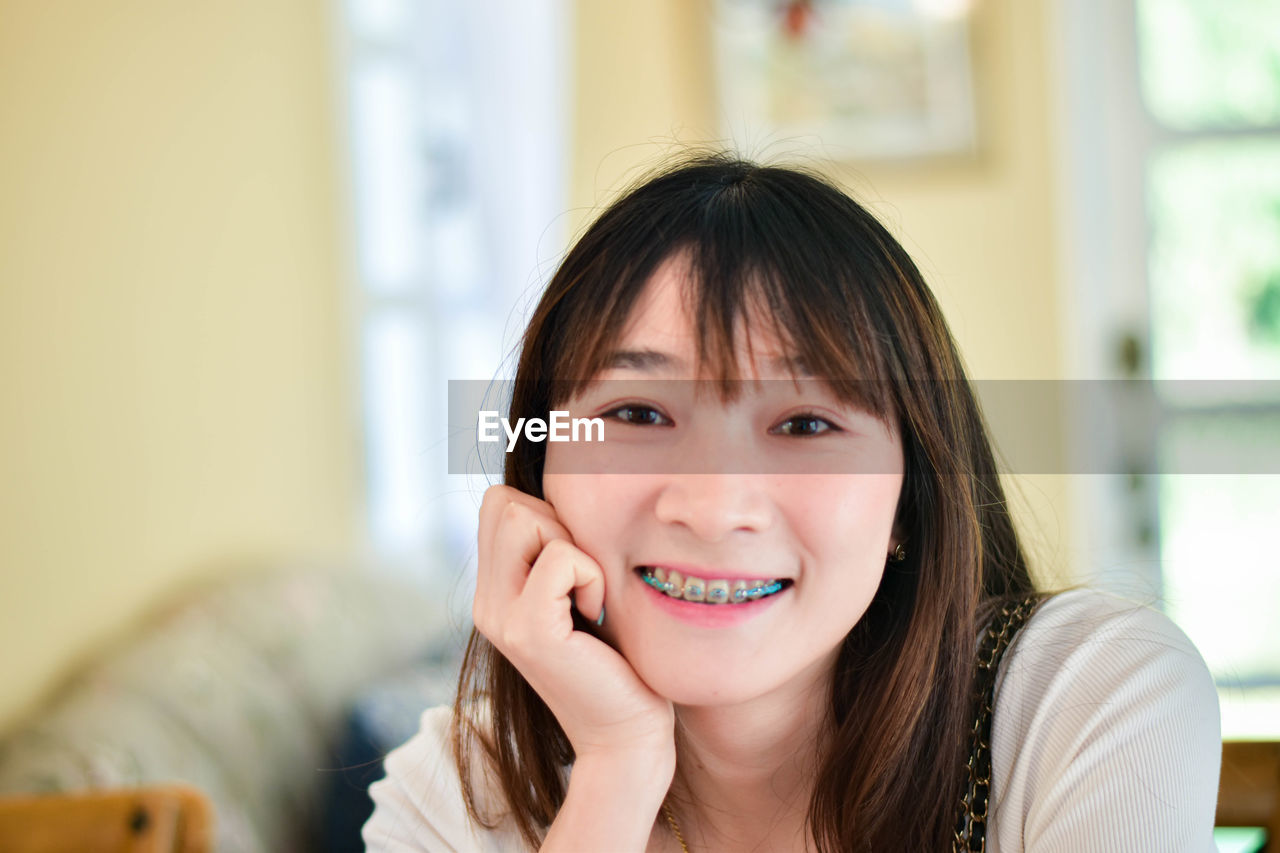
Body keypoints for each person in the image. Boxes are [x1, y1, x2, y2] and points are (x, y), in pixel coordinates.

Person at [362, 154, 1221, 852]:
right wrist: (617, 772)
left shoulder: (1085, 702)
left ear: (910, 502)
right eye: (637, 413)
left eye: (805, 422)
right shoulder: (453, 795)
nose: (713, 505)